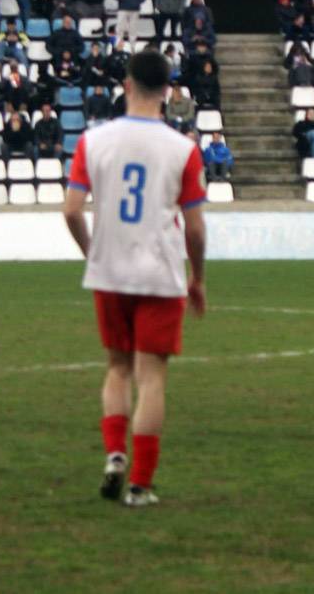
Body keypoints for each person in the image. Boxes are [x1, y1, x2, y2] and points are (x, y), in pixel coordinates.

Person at [62, 49, 208, 508]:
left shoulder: (93, 141)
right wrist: (198, 276)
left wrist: (93, 252)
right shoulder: (183, 149)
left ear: (126, 85)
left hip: (111, 270)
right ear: (168, 92)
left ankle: (114, 456)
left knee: (117, 369)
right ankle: (141, 485)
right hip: (160, 273)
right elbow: (196, 225)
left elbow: (70, 209)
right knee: (152, 378)